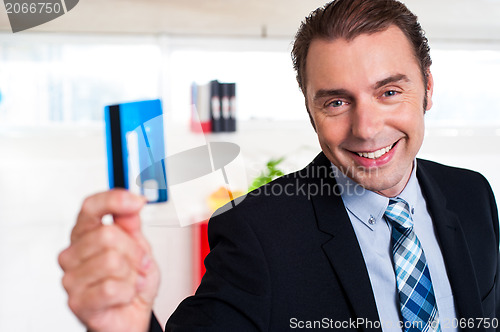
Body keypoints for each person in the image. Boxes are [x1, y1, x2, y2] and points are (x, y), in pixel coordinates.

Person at [58, 0, 500, 331]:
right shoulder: (257, 230)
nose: (365, 129)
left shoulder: (473, 194)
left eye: (388, 92)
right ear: (311, 112)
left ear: (427, 87)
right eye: (337, 101)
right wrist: (128, 326)